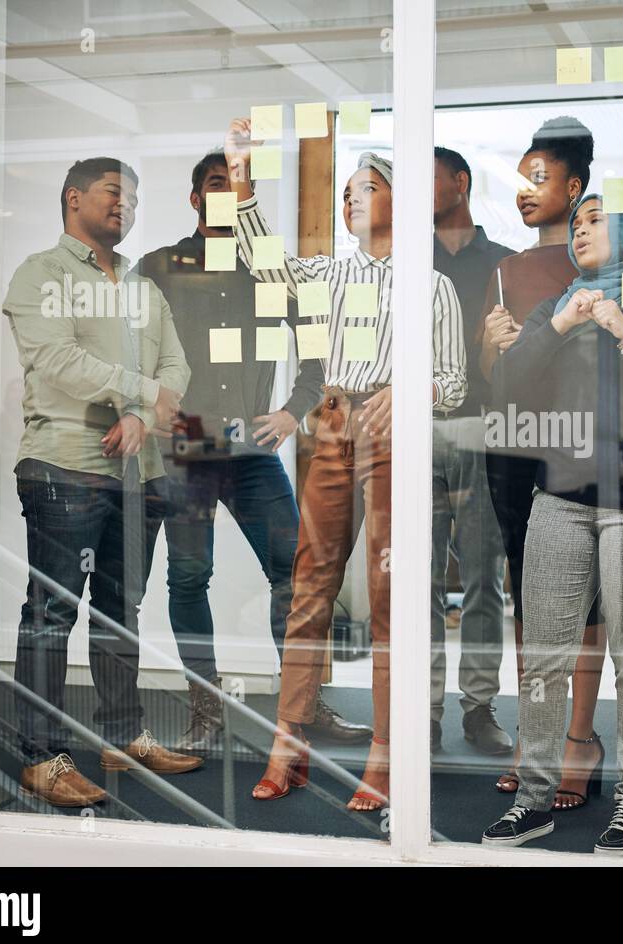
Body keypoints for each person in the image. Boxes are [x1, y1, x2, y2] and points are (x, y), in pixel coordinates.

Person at [221, 119, 466, 810]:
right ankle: (288, 744)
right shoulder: (331, 273)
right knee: (309, 586)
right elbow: (267, 267)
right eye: (349, 190)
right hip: (332, 423)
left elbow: (456, 379)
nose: (352, 198)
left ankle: (387, 755)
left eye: (369, 186)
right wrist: (243, 178)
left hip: (394, 435)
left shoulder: (431, 287)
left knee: (389, 598)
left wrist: (411, 386)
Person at [482, 195, 623, 857]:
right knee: (543, 663)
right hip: (560, 499)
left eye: (597, 219)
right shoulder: (556, 309)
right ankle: (532, 804)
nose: (581, 228)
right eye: (576, 222)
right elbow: (508, 396)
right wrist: (553, 329)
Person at [133, 151, 372, 754]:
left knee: (294, 574)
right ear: (194, 198)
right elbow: (126, 349)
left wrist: (296, 409)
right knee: (188, 578)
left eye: (235, 185)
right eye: (214, 184)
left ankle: (303, 704)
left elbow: (317, 345)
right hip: (183, 448)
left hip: (251, 449)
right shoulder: (158, 267)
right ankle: (205, 709)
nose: (224, 194)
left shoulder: (267, 267)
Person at [3, 157, 201, 807]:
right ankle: (38, 756)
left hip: (132, 472)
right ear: (73, 198)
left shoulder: (142, 288)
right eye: (116, 193)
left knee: (121, 611)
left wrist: (142, 414)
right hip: (64, 466)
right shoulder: (42, 274)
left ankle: (122, 738)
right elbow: (56, 360)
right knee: (51, 614)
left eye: (135, 198)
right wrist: (143, 394)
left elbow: (176, 362)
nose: (128, 205)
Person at [479, 117, 610, 808]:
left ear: (575, 186)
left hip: (581, 441)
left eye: (539, 179)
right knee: (528, 593)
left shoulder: (603, 260)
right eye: (521, 179)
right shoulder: (505, 270)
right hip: (513, 442)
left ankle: (580, 739)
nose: (526, 192)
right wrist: (495, 346)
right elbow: (492, 373)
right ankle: (539, 736)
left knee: (584, 595)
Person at [429, 146, 515, 756]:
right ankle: (424, 709)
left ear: (461, 183)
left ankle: (478, 709)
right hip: (415, 431)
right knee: (420, 580)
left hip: (484, 431)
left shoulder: (505, 264)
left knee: (485, 577)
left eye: (428, 179)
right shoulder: (405, 262)